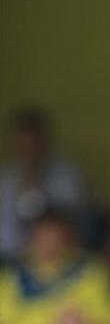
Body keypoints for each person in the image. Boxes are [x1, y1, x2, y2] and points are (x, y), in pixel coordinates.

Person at [0, 106, 85, 263]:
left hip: (52, 257)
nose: (29, 150)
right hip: (7, 257)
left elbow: (66, 221)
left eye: (34, 143)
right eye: (24, 144)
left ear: (45, 142)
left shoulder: (65, 176)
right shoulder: (5, 178)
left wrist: (36, 180)